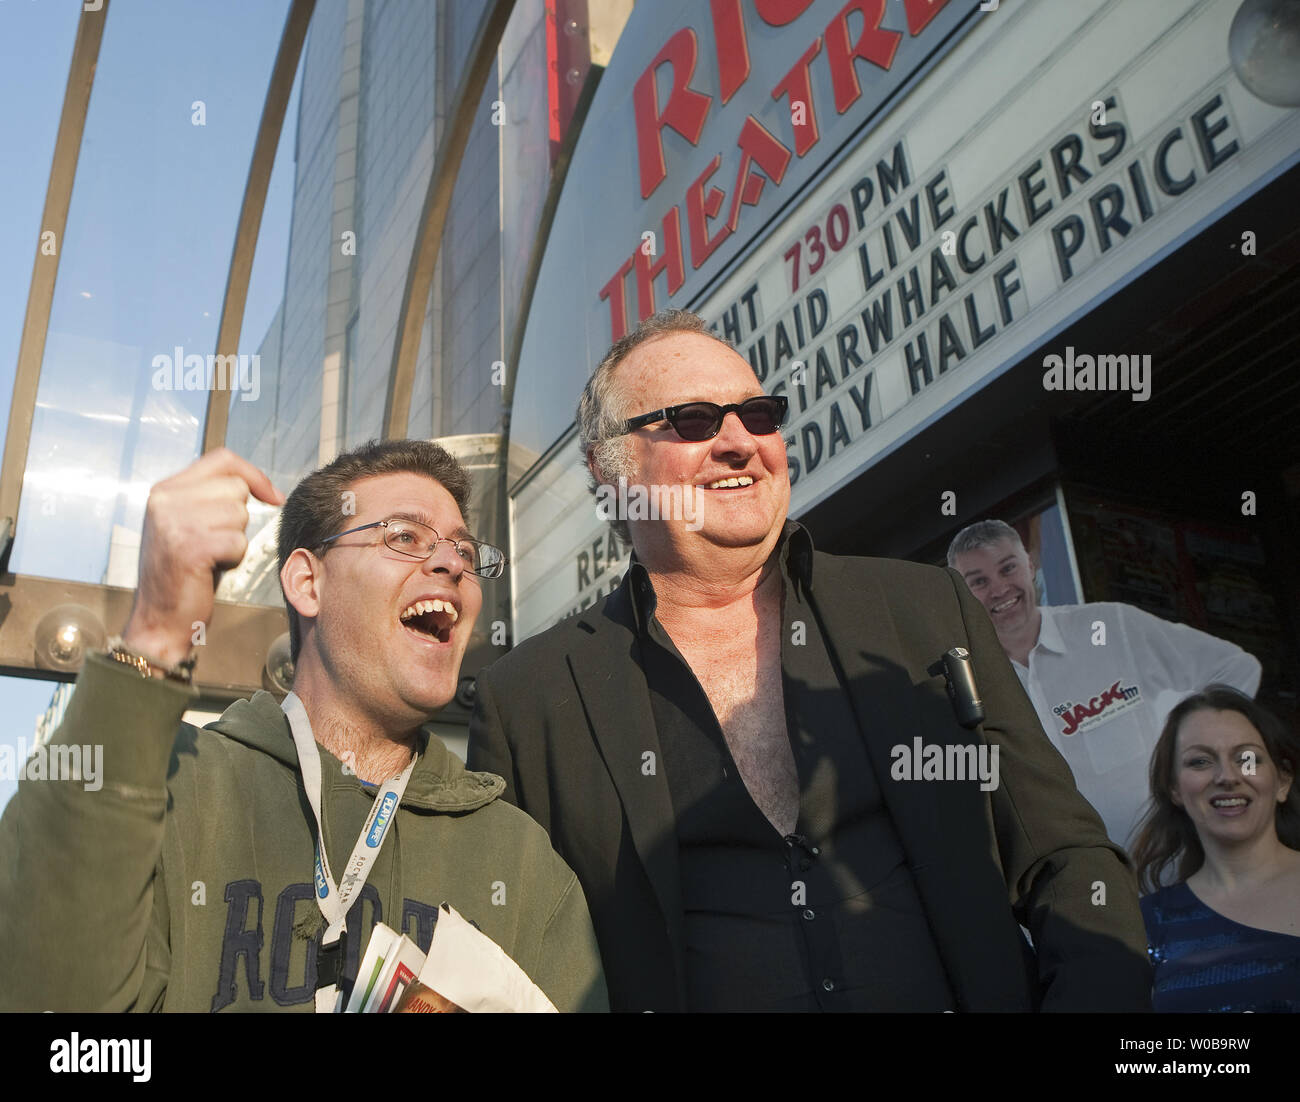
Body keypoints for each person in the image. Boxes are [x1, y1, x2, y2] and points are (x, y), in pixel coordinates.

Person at [468, 308, 1151, 1012]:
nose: (739, 442)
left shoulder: (922, 609)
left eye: (759, 415)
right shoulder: (529, 702)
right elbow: (502, 972)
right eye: (694, 420)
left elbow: (1064, 856)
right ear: (606, 465)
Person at [0, 441, 606, 1012]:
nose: (451, 563)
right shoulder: (168, 788)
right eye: (404, 537)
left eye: (465, 553)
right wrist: (157, 631)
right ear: (307, 582)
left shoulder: (522, 863)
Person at [948, 520, 1262, 850]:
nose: (999, 589)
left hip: (1173, 862)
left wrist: (1194, 758)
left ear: (1029, 565)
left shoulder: (1111, 628)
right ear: (962, 596)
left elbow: (1233, 668)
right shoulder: (969, 686)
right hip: (1066, 886)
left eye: (1008, 568)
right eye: (978, 582)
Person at [1133, 687, 1300, 1012]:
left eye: (1246, 759)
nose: (1227, 776)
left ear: (1282, 781)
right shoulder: (1146, 924)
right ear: (1175, 789)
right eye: (1200, 761)